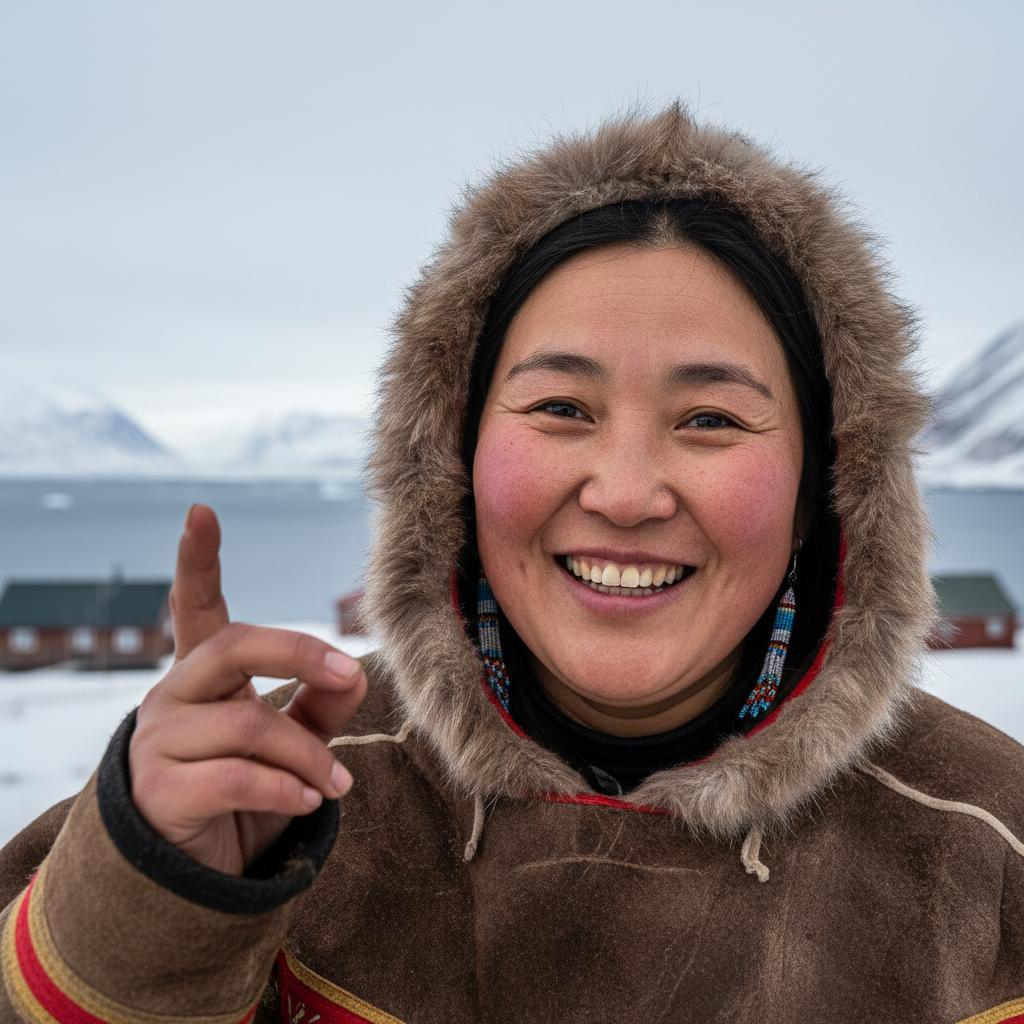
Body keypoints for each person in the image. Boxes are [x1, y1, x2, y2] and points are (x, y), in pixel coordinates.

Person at [1, 101, 1022, 1023]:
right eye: (560, 408)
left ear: (820, 491)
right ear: (453, 458)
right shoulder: (271, 797)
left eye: (710, 418)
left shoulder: (985, 841)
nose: (624, 491)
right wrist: (156, 906)